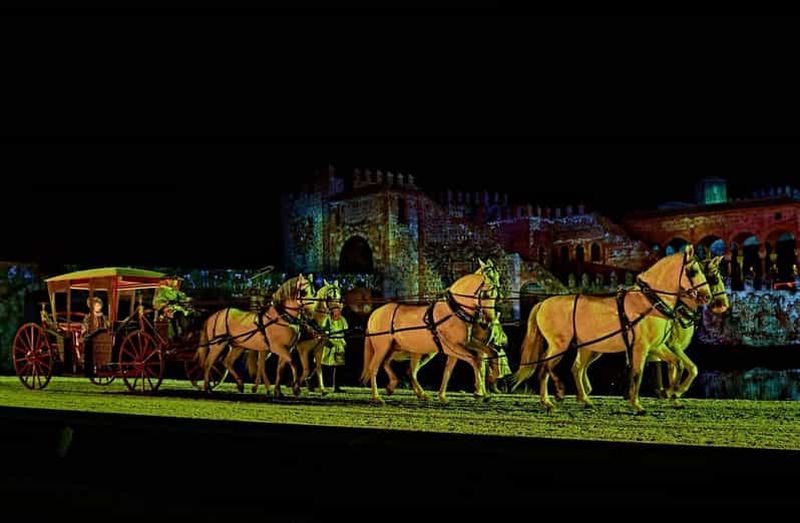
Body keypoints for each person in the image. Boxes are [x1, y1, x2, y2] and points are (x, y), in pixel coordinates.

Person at [320, 304, 348, 393]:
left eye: (339, 311)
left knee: (338, 366)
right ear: (332, 312)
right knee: (324, 365)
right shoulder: (328, 319)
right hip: (330, 343)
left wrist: (343, 341)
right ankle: (312, 380)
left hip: (339, 344)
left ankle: (336, 386)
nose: (338, 313)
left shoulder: (342, 319)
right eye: (336, 311)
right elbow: (324, 331)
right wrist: (327, 338)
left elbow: (345, 330)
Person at [81, 297, 107, 377]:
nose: (98, 307)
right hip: (91, 338)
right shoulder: (88, 317)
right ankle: (89, 370)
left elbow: (106, 327)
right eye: (96, 305)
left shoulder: (103, 317)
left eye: (99, 305)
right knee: (88, 342)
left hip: (103, 339)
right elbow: (85, 328)